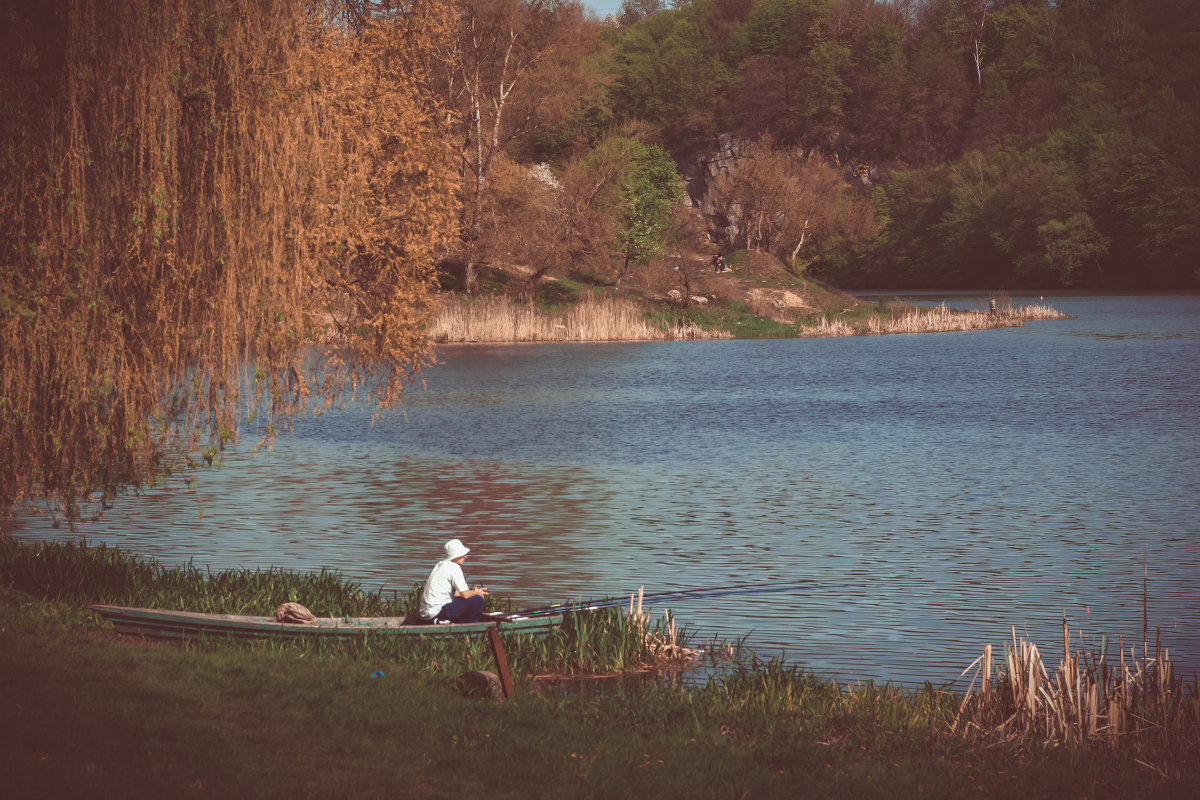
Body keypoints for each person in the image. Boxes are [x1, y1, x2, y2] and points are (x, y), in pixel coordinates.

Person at [419, 539, 489, 624]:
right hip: (436, 613)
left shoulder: (440, 564)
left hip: (425, 614)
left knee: (463, 598)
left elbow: (454, 593)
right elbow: (465, 595)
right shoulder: (454, 567)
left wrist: (473, 592)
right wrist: (477, 592)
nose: (465, 556)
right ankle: (468, 630)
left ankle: (458, 623)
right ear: (456, 555)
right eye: (463, 554)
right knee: (478, 600)